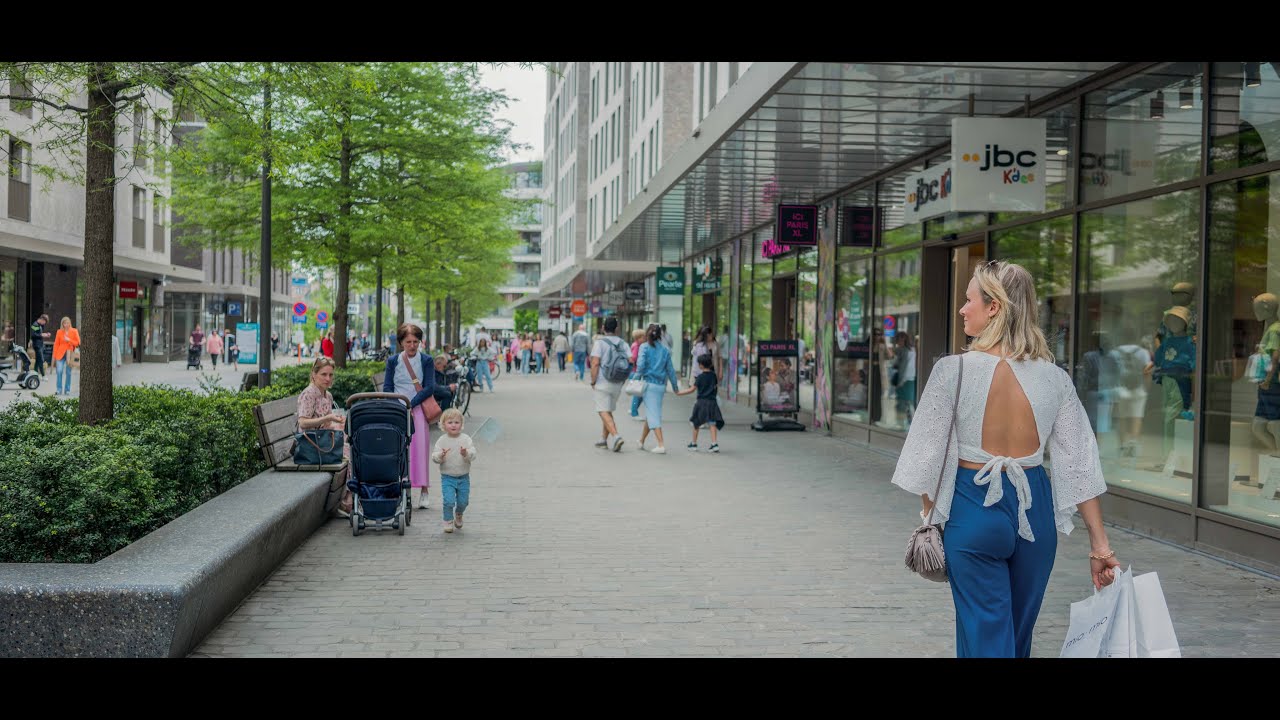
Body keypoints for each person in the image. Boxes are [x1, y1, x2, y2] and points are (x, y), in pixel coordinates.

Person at [890, 260, 1118, 658]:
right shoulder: (1055, 378)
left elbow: (926, 459)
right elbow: (1079, 465)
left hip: (972, 505)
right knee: (1017, 638)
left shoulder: (951, 371)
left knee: (985, 636)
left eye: (969, 300)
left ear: (994, 306)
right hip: (1035, 509)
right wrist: (1100, 547)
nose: (962, 309)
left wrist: (932, 517)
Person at [383, 323, 437, 510]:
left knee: (420, 448)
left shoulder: (426, 360)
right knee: (398, 449)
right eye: (408, 342)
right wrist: (398, 405)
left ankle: (424, 490)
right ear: (401, 343)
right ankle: (400, 487)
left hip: (418, 407)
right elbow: (387, 387)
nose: (412, 345)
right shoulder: (393, 361)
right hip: (398, 408)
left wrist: (411, 404)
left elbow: (429, 387)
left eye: (416, 341)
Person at [298, 357, 352, 516]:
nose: (328, 378)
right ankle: (346, 501)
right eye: (323, 374)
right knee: (350, 454)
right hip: (311, 445)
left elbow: (327, 424)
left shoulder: (327, 395)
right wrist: (328, 418)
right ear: (314, 375)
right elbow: (303, 422)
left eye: (330, 375)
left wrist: (338, 423)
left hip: (325, 442)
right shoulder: (309, 394)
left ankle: (348, 497)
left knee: (355, 447)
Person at [635, 323, 681, 454]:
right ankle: (641, 441)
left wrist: (635, 380)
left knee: (653, 414)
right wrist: (675, 387)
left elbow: (640, 366)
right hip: (661, 387)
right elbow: (671, 370)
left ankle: (661, 445)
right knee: (652, 413)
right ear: (660, 335)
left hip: (649, 385)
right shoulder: (665, 350)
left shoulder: (644, 347)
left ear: (647, 334)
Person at [431, 407, 477, 534]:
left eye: (457, 422)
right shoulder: (442, 440)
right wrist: (441, 455)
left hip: (463, 477)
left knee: (463, 502)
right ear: (443, 424)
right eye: (450, 422)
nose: (453, 425)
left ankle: (459, 513)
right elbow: (434, 457)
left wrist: (466, 453)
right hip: (448, 477)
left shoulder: (466, 439)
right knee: (449, 501)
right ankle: (448, 520)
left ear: (461, 424)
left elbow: (473, 454)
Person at [590, 316, 629, 452]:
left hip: (603, 381)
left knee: (603, 411)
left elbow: (595, 363)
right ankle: (603, 440)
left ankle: (616, 436)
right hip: (617, 382)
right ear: (617, 329)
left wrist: (593, 381)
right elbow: (630, 361)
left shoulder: (599, 343)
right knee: (608, 410)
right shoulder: (623, 343)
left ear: (603, 328)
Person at [676, 353, 723, 453]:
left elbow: (692, 390)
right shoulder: (713, 376)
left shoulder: (700, 377)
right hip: (712, 403)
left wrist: (679, 393)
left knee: (696, 422)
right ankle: (714, 444)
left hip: (701, 403)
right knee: (712, 423)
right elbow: (715, 387)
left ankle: (694, 444)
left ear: (701, 365)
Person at [892, 333, 917, 428]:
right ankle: (910, 423)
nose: (898, 343)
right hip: (911, 378)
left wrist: (901, 381)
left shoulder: (904, 351)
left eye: (899, 341)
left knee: (903, 402)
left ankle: (903, 423)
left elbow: (903, 367)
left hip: (905, 380)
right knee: (909, 402)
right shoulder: (912, 350)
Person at [52, 316, 81, 396]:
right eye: (65, 323)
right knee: (59, 371)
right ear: (62, 324)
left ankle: (67, 390)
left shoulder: (74, 331)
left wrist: (69, 340)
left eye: (68, 323)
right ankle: (59, 389)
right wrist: (54, 355)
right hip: (60, 354)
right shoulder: (59, 332)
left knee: (68, 372)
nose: (66, 325)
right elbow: (56, 344)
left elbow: (78, 343)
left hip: (70, 354)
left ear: (70, 323)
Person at [628, 328, 646, 422]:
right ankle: (634, 412)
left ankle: (633, 409)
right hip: (636, 372)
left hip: (635, 372)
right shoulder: (637, 346)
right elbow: (633, 357)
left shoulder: (635, 345)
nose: (645, 338)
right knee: (638, 394)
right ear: (638, 338)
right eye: (643, 337)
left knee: (640, 393)